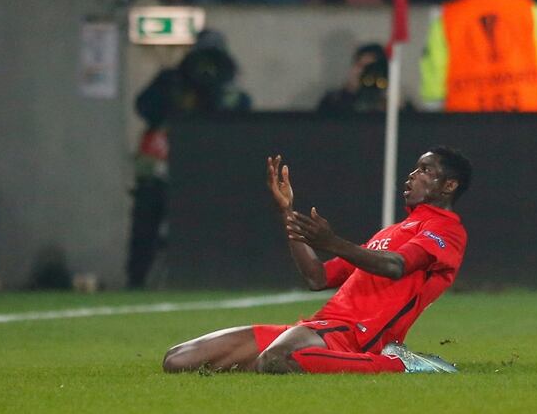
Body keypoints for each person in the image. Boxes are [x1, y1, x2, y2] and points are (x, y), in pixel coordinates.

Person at [162, 147, 472, 374]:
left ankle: (400, 364)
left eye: (425, 171)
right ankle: (291, 357)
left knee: (274, 360)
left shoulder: (447, 230)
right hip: (322, 327)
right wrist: (287, 211)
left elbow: (397, 266)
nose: (412, 176)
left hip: (358, 337)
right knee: (178, 359)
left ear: (449, 185)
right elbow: (317, 277)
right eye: (415, 169)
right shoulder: (392, 231)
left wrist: (333, 242)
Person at [128, 30, 251, 288]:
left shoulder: (229, 87)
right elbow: (143, 106)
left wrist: (216, 90)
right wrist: (175, 89)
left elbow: (242, 117)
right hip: (163, 169)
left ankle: (214, 279)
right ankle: (135, 281)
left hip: (207, 173)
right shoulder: (171, 80)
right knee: (146, 223)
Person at [420, 0, 537, 112]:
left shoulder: (449, 15)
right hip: (527, 113)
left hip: (464, 118)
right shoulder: (528, 8)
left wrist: (434, 114)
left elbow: (436, 67)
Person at [316, 43, 390, 114]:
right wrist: (349, 92)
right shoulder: (332, 101)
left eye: (369, 69)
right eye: (360, 66)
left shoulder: (388, 103)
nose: (363, 72)